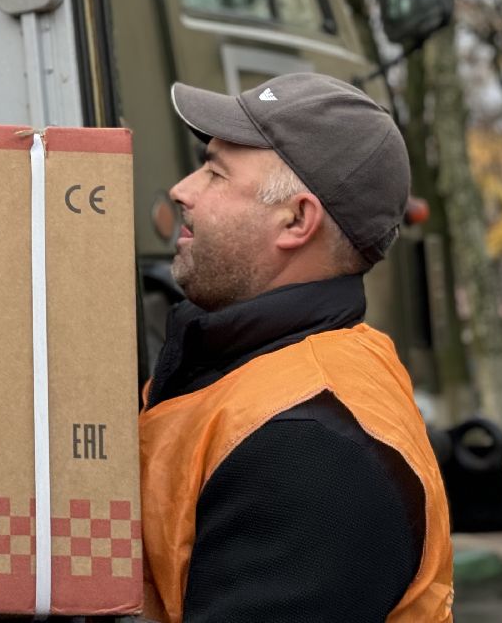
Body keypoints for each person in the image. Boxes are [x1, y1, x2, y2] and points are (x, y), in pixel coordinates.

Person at [139, 73, 453, 622]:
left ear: (297, 220)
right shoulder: (235, 363)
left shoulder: (312, 447)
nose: (183, 190)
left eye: (215, 174)